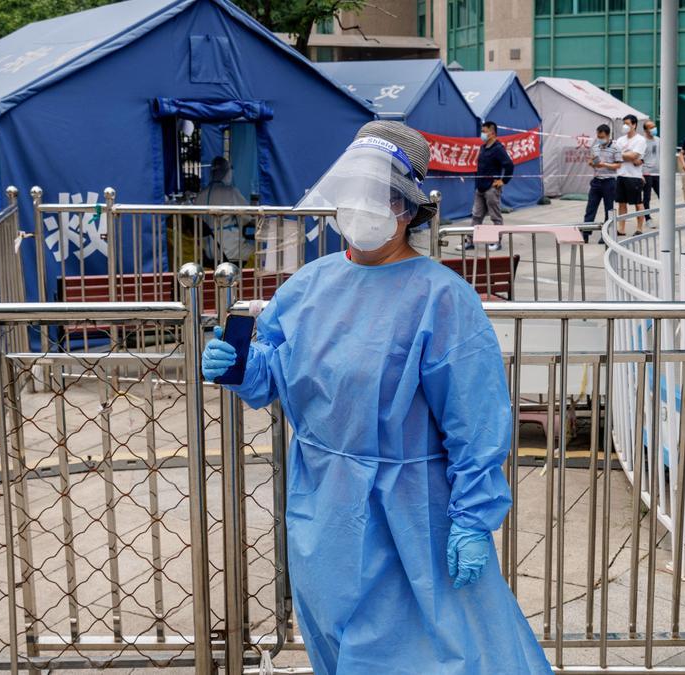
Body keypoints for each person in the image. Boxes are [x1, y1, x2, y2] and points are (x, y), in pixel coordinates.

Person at [201, 120, 550, 675]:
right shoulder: (307, 287)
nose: (360, 209)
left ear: (407, 208)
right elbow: (277, 373)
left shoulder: (442, 300)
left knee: (428, 652)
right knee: (336, 643)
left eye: (378, 197)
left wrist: (472, 519)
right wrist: (241, 365)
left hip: (412, 515)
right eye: (353, 195)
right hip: (323, 508)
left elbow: (476, 421)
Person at [193, 157, 254, 264]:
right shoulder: (230, 192)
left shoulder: (200, 195)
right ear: (227, 173)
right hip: (230, 250)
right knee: (259, 252)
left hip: (208, 250)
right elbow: (246, 217)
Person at [468, 120, 514, 251]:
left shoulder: (498, 149)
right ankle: (470, 241)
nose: (481, 134)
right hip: (480, 188)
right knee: (476, 215)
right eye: (481, 131)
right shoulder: (483, 148)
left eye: (484, 132)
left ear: (492, 133)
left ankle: (497, 242)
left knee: (495, 216)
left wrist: (503, 181)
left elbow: (509, 165)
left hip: (491, 189)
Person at [583, 123, 621, 242]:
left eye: (602, 137)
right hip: (596, 181)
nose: (600, 139)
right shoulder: (595, 147)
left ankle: (606, 235)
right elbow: (592, 160)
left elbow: (618, 165)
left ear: (608, 135)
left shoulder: (616, 148)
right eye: (598, 136)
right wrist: (591, 162)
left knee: (608, 209)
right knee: (590, 208)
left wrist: (604, 164)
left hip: (609, 182)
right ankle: (585, 233)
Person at [613, 114, 648, 236]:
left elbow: (635, 156)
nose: (625, 126)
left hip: (634, 176)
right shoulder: (620, 140)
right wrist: (627, 154)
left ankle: (639, 228)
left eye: (627, 123)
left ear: (634, 125)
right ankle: (621, 228)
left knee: (638, 202)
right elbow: (615, 156)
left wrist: (624, 154)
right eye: (624, 123)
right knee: (621, 203)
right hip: (621, 174)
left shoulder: (640, 140)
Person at [641, 119, 661, 223]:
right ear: (645, 130)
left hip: (658, 172)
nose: (654, 129)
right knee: (647, 197)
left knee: (662, 195)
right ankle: (648, 218)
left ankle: (665, 216)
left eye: (654, 127)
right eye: (651, 127)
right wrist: (640, 173)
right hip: (646, 172)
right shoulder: (642, 141)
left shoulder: (658, 140)